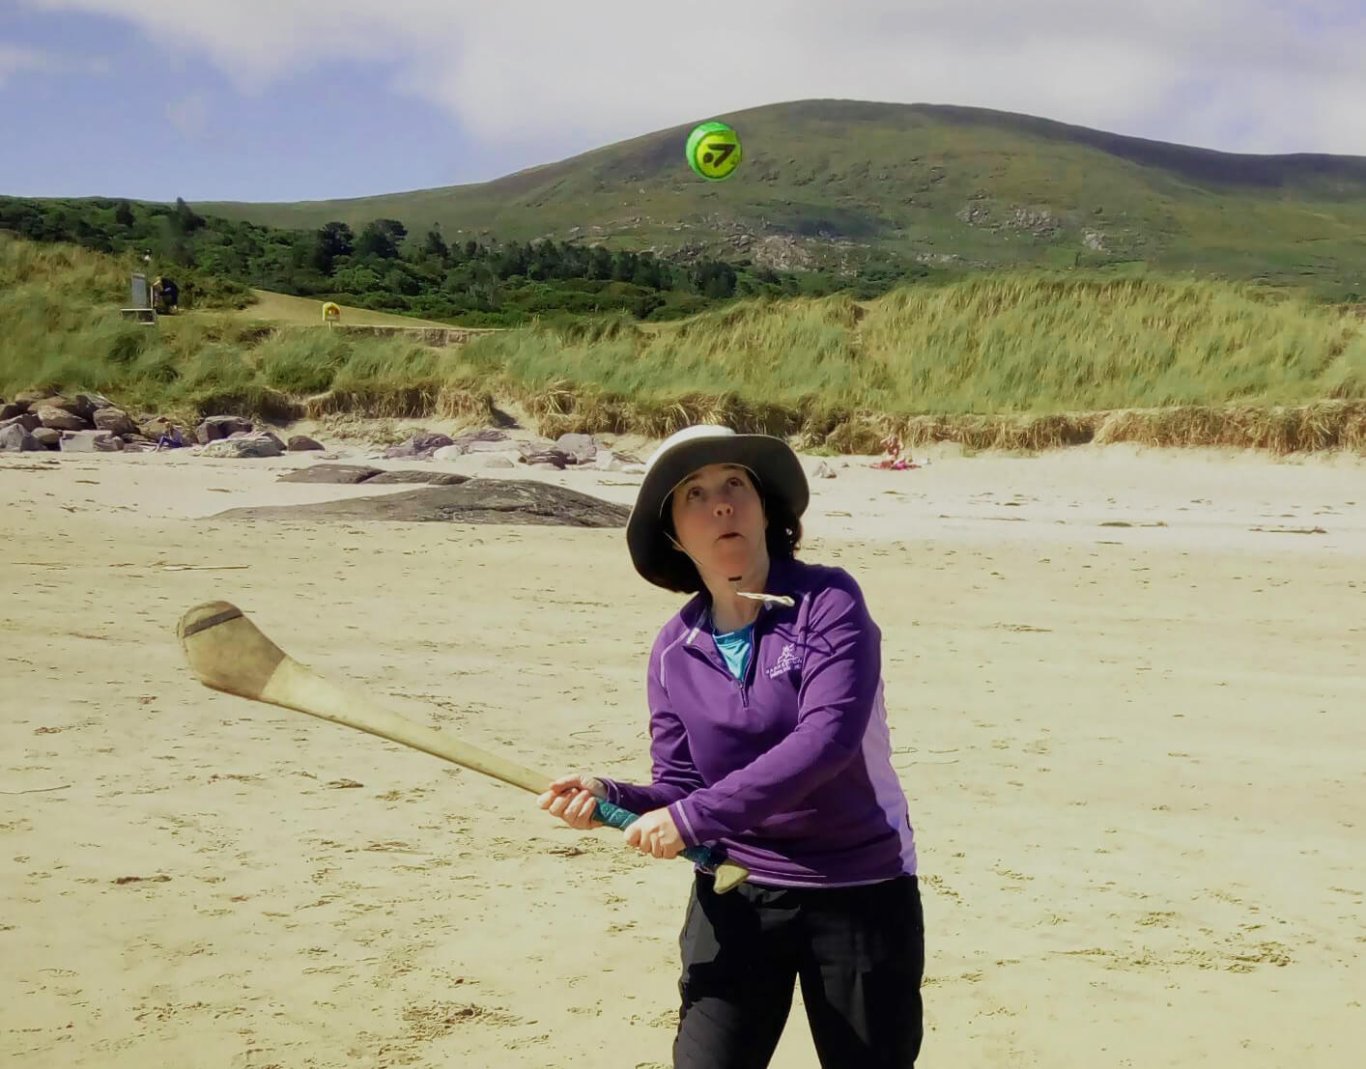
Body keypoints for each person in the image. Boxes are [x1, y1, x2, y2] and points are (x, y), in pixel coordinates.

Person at [538, 424, 925, 1068]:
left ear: (764, 508)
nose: (720, 503)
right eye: (695, 493)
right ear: (674, 535)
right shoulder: (673, 650)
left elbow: (826, 740)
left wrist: (689, 819)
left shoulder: (827, 601)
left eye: (735, 485)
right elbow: (681, 786)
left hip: (858, 885)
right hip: (732, 886)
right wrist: (610, 797)